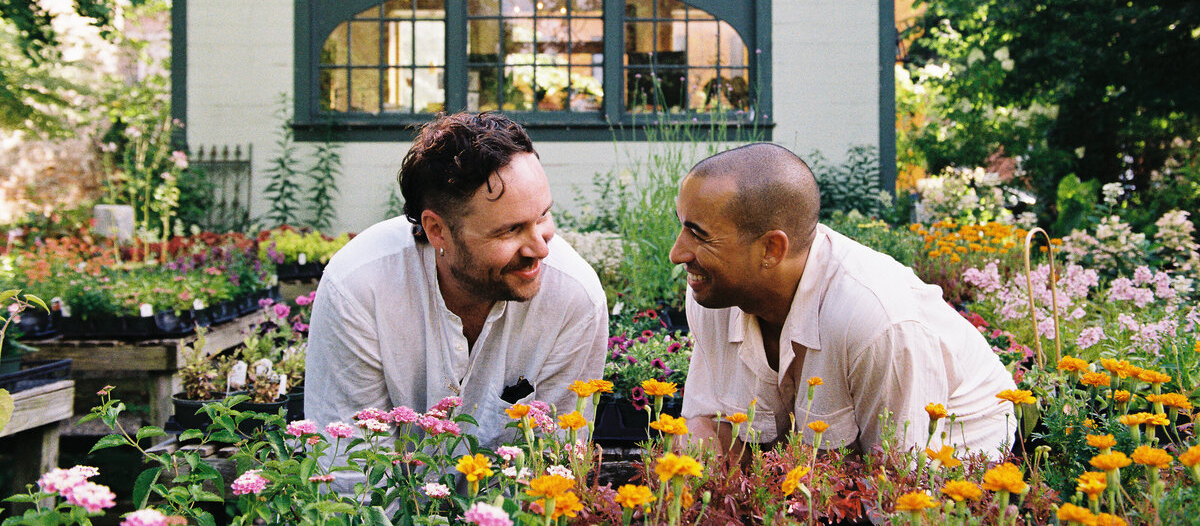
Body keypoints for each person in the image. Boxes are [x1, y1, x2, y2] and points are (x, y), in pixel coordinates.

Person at [674, 143, 1016, 458]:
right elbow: (708, 426)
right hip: (812, 475)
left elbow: (899, 486)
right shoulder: (714, 295)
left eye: (700, 235)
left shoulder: (875, 320)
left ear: (771, 249)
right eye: (682, 228)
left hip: (950, 459)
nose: (678, 253)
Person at [305, 112, 608, 449]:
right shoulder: (360, 287)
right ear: (437, 231)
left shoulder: (573, 296)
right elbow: (350, 465)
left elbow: (552, 463)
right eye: (510, 229)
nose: (540, 247)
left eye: (543, 216)